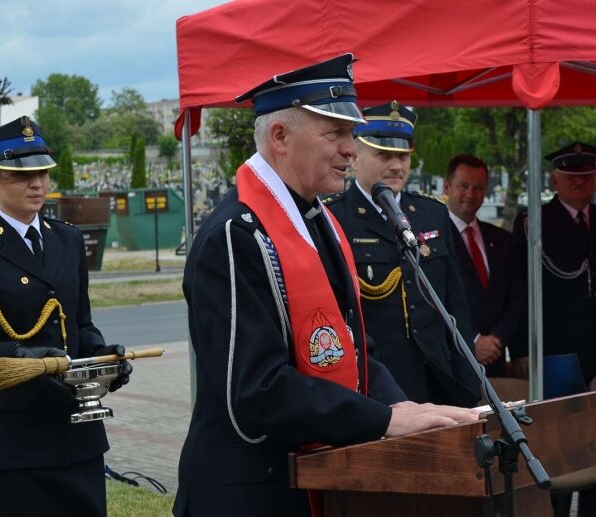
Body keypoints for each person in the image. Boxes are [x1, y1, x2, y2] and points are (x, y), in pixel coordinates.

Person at [173, 56, 479, 517]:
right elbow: (257, 390)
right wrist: (383, 420)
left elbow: (357, 350)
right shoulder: (234, 236)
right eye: (334, 133)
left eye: (351, 134)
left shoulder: (319, 220)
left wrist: (413, 412)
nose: (351, 149)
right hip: (254, 491)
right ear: (280, 137)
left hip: (318, 474)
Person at [0, 116, 131, 517]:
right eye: (21, 176)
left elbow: (80, 324)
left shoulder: (68, 239)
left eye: (42, 173)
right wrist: (16, 355)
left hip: (76, 433)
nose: (37, 184)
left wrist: (103, 356)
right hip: (9, 440)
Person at [512, 141, 596, 516]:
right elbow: (521, 292)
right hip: (557, 352)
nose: (579, 183)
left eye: (586, 176)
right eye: (571, 177)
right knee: (559, 447)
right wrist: (521, 348)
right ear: (555, 180)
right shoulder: (533, 222)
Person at [325, 101, 479, 407]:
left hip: (439, 378)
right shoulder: (335, 218)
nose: (397, 166)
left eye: (402, 155)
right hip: (379, 385)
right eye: (383, 155)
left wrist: (470, 381)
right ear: (355, 158)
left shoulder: (431, 213)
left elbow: (455, 306)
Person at [443, 155, 527, 378]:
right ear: (447, 187)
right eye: (463, 186)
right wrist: (473, 341)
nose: (470, 194)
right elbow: (432, 301)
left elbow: (517, 296)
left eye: (478, 188)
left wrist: (497, 338)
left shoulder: (501, 240)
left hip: (495, 359)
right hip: (452, 364)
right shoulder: (430, 239)